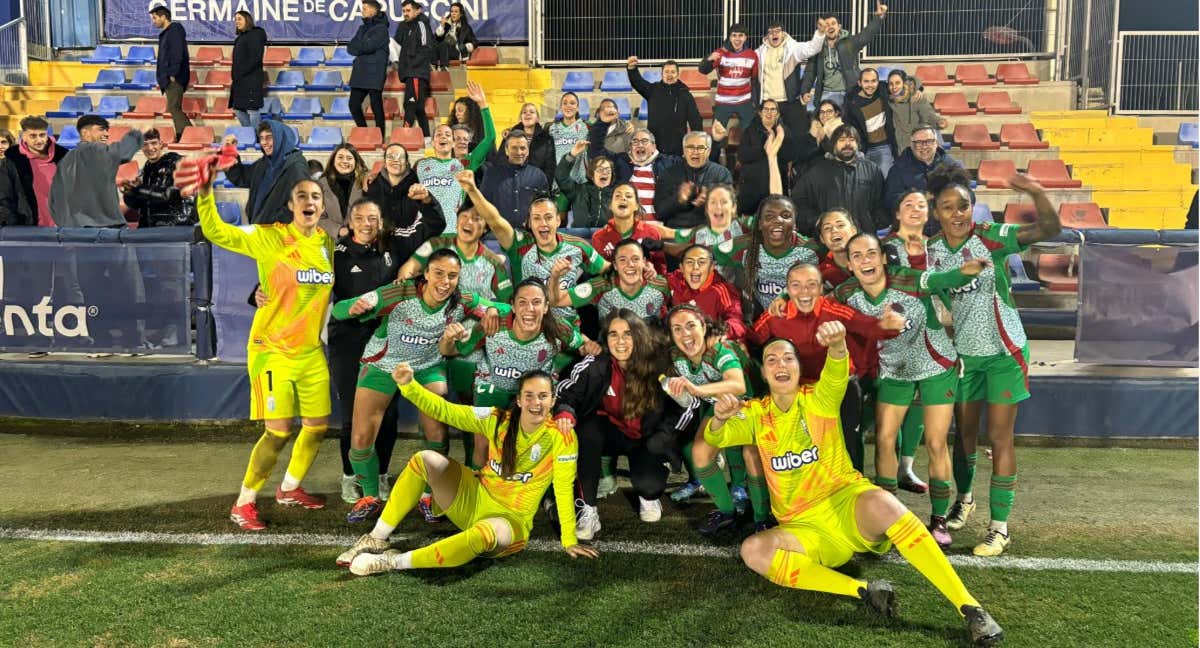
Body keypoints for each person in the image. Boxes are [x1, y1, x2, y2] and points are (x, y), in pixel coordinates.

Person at [705, 329, 1004, 647]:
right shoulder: (755, 413)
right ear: (764, 372)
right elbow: (716, 437)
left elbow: (835, 371)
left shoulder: (818, 398)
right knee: (753, 551)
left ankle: (970, 607)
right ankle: (862, 590)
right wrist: (720, 418)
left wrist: (836, 345)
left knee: (884, 503)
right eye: (771, 359)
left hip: (847, 505)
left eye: (788, 358)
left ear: (798, 367)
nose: (780, 364)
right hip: (804, 528)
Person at [178, 158, 335, 531]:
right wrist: (205, 192)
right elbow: (217, 232)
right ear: (291, 206)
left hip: (311, 352)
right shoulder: (269, 237)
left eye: (315, 195)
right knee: (279, 430)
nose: (309, 201)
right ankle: (244, 502)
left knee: (316, 426)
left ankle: (290, 489)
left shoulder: (327, 243)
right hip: (272, 350)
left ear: (323, 206)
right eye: (302, 196)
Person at [337, 363, 599, 574]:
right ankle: (376, 538)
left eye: (543, 396)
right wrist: (409, 386)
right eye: (528, 395)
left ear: (553, 400)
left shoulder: (561, 436)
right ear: (518, 400)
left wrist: (569, 539)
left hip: (509, 522)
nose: (536, 403)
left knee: (484, 534)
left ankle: (392, 562)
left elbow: (563, 488)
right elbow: (448, 411)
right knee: (424, 459)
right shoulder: (497, 420)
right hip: (471, 501)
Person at [925, 164, 1062, 557]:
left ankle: (999, 528)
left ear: (973, 208)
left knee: (999, 436)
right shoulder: (932, 253)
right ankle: (963, 501)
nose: (957, 214)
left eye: (963, 206)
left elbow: (1049, 231)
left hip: (1004, 354)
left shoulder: (991, 238)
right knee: (963, 436)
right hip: (965, 357)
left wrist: (1036, 192)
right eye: (948, 207)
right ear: (936, 211)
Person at [332, 247, 503, 523]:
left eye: (452, 276)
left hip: (427, 368)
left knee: (437, 434)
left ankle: (429, 495)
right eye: (438, 273)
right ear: (426, 273)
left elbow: (505, 308)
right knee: (361, 440)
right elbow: (340, 310)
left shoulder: (462, 300)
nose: (445, 282)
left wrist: (493, 308)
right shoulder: (398, 293)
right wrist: (352, 307)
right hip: (382, 365)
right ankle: (371, 497)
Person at [835, 232, 984, 546]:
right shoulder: (845, 293)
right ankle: (889, 517)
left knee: (935, 442)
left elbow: (943, 278)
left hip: (935, 365)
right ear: (849, 264)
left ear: (883, 257)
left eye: (871, 253)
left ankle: (938, 519)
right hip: (894, 370)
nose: (865, 261)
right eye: (857, 256)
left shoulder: (909, 279)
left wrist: (965, 271)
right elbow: (814, 303)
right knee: (885, 439)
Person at [397, 170, 512, 468]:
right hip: (429, 347)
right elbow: (407, 270)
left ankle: (473, 479)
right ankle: (436, 477)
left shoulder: (495, 262)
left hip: (470, 352)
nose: (469, 222)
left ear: (486, 226)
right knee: (434, 417)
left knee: (472, 419)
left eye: (477, 218)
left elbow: (506, 307)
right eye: (465, 216)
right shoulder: (436, 245)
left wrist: (488, 307)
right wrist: (408, 289)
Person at [555, 310, 682, 535]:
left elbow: (681, 407)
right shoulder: (597, 363)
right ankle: (588, 510)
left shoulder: (659, 364)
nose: (620, 341)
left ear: (639, 336)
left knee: (650, 486)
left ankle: (649, 496)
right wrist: (565, 411)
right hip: (610, 432)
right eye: (614, 334)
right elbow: (567, 390)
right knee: (586, 430)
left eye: (628, 334)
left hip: (645, 438)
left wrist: (663, 438)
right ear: (606, 338)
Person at [663, 304, 765, 535]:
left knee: (751, 455)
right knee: (700, 454)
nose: (685, 334)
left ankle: (761, 518)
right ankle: (727, 511)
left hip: (754, 405)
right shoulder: (675, 356)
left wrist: (696, 390)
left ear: (704, 326)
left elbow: (738, 385)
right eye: (677, 329)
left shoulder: (720, 349)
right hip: (720, 407)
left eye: (691, 326)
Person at [328, 198, 402, 504]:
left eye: (373, 218)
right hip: (347, 341)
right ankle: (350, 477)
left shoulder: (392, 250)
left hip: (386, 342)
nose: (367, 224)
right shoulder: (335, 254)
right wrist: (260, 291)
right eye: (360, 218)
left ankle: (381, 475)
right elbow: (299, 277)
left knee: (388, 415)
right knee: (351, 417)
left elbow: (433, 234)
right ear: (351, 220)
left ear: (380, 221)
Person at [712, 194, 823, 316]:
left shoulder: (811, 250)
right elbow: (707, 254)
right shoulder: (744, 246)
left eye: (785, 216)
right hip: (761, 322)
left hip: (801, 321)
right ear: (760, 224)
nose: (778, 220)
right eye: (769, 216)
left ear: (795, 224)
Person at [789, 124, 887, 237]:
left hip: (864, 240)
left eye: (852, 139)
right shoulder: (818, 171)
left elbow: (882, 202)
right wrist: (817, 220)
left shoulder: (872, 170)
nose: (847, 144)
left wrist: (873, 222)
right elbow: (797, 201)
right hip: (830, 240)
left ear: (858, 144)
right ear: (834, 145)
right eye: (842, 140)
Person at [50, 115, 144, 227]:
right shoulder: (95, 150)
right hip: (103, 229)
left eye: (106, 130)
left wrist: (65, 224)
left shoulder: (65, 159)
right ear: (85, 133)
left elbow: (54, 200)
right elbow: (123, 151)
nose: (106, 134)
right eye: (101, 129)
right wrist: (139, 133)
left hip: (72, 230)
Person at [549, 239, 670, 323]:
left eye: (635, 259)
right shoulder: (601, 286)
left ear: (644, 262)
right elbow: (557, 300)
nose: (630, 264)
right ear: (615, 265)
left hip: (651, 353)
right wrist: (555, 277)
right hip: (612, 354)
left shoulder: (661, 285)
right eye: (623, 260)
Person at [363, 143, 446, 266]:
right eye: (391, 156)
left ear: (407, 162)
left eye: (400, 157)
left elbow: (436, 224)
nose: (395, 160)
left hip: (412, 255)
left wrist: (427, 200)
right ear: (384, 163)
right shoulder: (372, 187)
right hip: (379, 256)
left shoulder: (419, 187)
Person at [800, 3, 888, 110]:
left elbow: (866, 35)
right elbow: (810, 72)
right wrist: (805, 91)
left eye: (833, 23)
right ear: (822, 29)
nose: (830, 27)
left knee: (852, 125)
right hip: (828, 94)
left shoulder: (850, 42)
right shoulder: (817, 48)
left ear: (839, 27)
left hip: (850, 92)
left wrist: (878, 18)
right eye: (826, 24)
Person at [222, 120, 311, 224]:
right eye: (261, 138)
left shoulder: (296, 167)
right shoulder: (264, 163)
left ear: (281, 138)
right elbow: (242, 177)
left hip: (278, 235)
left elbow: (302, 204)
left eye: (269, 137)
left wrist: (274, 222)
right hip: (259, 230)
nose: (264, 142)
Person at [737, 100, 806, 215]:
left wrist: (778, 143)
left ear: (777, 114)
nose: (769, 112)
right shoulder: (750, 130)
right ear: (760, 113)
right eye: (766, 109)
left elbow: (792, 155)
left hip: (777, 179)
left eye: (773, 109)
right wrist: (764, 150)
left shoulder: (783, 132)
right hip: (753, 182)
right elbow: (742, 155)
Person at [756, 21, 824, 137]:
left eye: (777, 31)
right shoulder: (759, 53)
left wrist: (820, 33)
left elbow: (813, 48)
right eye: (771, 32)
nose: (774, 34)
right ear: (767, 36)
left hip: (789, 102)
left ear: (783, 33)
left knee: (795, 136)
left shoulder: (793, 49)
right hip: (768, 103)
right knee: (768, 137)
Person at [666, 244, 747, 341]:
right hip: (680, 341)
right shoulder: (675, 280)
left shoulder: (721, 290)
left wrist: (722, 333)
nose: (695, 267)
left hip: (709, 344)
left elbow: (737, 321)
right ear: (682, 267)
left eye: (702, 262)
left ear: (712, 266)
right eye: (689, 262)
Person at [654, 130, 734, 228]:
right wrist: (679, 200)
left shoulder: (721, 174)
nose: (695, 152)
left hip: (709, 229)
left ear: (708, 151)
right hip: (678, 230)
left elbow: (729, 209)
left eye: (700, 148)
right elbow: (660, 213)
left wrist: (709, 203)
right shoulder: (669, 173)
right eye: (690, 147)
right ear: (684, 150)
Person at [626, 57, 702, 157]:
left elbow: (695, 119)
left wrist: (697, 143)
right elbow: (638, 82)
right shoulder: (652, 90)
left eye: (673, 72)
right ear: (662, 74)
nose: (669, 75)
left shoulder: (685, 94)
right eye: (666, 72)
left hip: (677, 148)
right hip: (655, 146)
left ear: (677, 74)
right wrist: (632, 69)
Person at [593, 128, 676, 219]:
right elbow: (595, 150)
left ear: (653, 147)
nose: (639, 145)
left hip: (659, 226)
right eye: (635, 142)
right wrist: (603, 123)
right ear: (631, 147)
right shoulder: (621, 161)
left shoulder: (669, 162)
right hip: (627, 226)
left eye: (644, 141)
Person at [122, 128, 196, 228]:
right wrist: (130, 194)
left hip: (177, 224)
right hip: (152, 225)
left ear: (161, 144)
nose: (150, 148)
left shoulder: (176, 162)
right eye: (145, 144)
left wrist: (139, 189)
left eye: (153, 143)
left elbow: (169, 195)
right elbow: (140, 205)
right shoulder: (145, 170)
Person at [884, 124, 965, 212]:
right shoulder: (897, 169)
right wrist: (922, 197)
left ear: (936, 143)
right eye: (918, 142)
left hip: (945, 219)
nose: (924, 146)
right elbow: (890, 201)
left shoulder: (952, 166)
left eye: (929, 141)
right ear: (911, 145)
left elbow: (969, 196)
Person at [590, 183, 667, 274]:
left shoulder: (652, 233)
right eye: (618, 196)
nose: (623, 198)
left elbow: (661, 272)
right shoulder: (599, 237)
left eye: (628, 196)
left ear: (636, 206)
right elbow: (598, 273)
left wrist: (652, 271)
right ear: (610, 205)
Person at [478, 132, 549, 228]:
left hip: (529, 235)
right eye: (514, 148)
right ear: (506, 150)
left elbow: (545, 207)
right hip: (496, 235)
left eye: (523, 148)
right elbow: (483, 205)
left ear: (528, 151)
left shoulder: (538, 175)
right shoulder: (491, 174)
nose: (519, 152)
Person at [8, 116, 66, 227]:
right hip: (27, 224)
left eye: (42, 135)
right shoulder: (13, 157)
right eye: (33, 136)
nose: (39, 140)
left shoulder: (62, 155)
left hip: (61, 223)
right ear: (23, 136)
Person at [700, 23, 759, 130]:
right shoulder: (720, 53)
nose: (737, 39)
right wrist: (708, 59)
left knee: (751, 134)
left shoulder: (752, 55)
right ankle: (718, 147)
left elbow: (754, 79)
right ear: (730, 37)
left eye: (741, 35)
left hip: (744, 101)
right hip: (723, 101)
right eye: (734, 35)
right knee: (716, 135)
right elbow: (703, 70)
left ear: (745, 37)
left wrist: (754, 101)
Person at [347, 0, 391, 140]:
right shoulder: (362, 28)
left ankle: (379, 137)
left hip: (374, 72)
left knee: (376, 105)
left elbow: (368, 46)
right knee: (353, 104)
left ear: (374, 11)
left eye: (365, 8)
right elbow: (350, 48)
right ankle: (364, 132)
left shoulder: (382, 29)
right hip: (360, 71)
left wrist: (361, 46)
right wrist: (361, 46)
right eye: (362, 8)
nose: (362, 11)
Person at [842, 68, 897, 177]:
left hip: (883, 147)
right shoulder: (851, 101)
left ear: (878, 81)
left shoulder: (883, 90)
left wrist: (918, 89)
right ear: (859, 83)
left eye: (873, 81)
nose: (870, 85)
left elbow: (905, 82)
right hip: (862, 149)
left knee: (886, 180)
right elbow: (848, 125)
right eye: (866, 81)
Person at [395, 0, 435, 139]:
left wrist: (412, 64)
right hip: (409, 73)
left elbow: (427, 48)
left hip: (417, 72)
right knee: (418, 108)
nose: (405, 14)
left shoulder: (421, 25)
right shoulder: (404, 27)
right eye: (404, 11)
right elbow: (397, 45)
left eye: (408, 10)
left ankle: (404, 137)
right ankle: (427, 139)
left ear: (418, 11)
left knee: (410, 104)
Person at [150, 6, 191, 140]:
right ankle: (183, 134)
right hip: (169, 76)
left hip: (173, 77)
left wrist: (172, 73)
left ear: (163, 17)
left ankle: (188, 134)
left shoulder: (174, 30)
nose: (154, 21)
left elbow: (176, 53)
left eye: (155, 18)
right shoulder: (169, 32)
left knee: (173, 107)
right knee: (174, 107)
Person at [496, 103, 556, 188]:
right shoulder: (509, 137)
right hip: (511, 187)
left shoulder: (547, 139)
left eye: (532, 112)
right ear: (521, 118)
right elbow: (500, 162)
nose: (528, 114)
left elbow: (550, 168)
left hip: (536, 189)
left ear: (537, 119)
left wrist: (544, 190)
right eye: (524, 112)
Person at [556, 140, 614, 228]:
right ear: (591, 175)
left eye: (608, 170)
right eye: (600, 169)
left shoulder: (617, 194)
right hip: (580, 237)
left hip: (606, 237)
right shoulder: (578, 190)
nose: (604, 173)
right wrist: (572, 155)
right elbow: (561, 176)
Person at [887, 70, 944, 155]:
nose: (894, 87)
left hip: (919, 145)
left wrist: (938, 121)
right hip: (900, 147)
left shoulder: (916, 98)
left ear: (904, 83)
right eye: (891, 84)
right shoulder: (887, 99)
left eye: (898, 83)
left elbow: (928, 114)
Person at [316, 144, 368, 238]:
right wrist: (338, 230)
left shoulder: (365, 182)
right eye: (340, 157)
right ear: (333, 160)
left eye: (349, 158)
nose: (344, 161)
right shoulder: (321, 184)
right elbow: (317, 216)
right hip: (329, 239)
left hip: (359, 238)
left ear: (356, 161)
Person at [229, 10, 266, 128]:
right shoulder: (241, 37)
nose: (237, 22)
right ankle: (250, 133)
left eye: (239, 19)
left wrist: (241, 72)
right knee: (238, 109)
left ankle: (256, 136)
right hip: (239, 81)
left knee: (252, 110)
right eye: (235, 20)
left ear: (247, 19)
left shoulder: (255, 34)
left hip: (251, 79)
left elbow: (256, 58)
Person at [434, 1, 478, 70]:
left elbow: (475, 42)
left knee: (444, 44)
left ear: (460, 14)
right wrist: (442, 26)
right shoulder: (446, 25)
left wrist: (463, 47)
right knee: (433, 45)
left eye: (456, 12)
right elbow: (437, 37)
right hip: (443, 50)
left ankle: (443, 67)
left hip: (456, 52)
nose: (453, 14)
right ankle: (433, 66)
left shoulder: (465, 28)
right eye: (452, 11)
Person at [0, 133, 31, 226]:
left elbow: (20, 194)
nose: (0, 146)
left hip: (10, 214)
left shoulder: (17, 165)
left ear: (10, 145)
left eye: (3, 142)